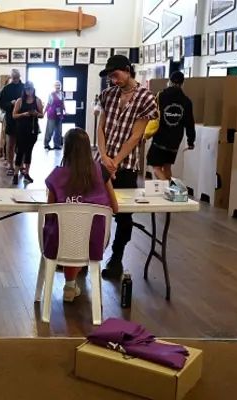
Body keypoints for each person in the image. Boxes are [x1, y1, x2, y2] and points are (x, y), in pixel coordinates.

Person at [97, 55, 158, 278]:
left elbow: (136, 136)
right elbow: (101, 127)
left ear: (128, 70)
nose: (114, 80)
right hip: (104, 162)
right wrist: (104, 156)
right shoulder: (108, 95)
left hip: (127, 165)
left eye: (116, 75)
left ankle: (116, 258)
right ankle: (86, 255)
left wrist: (116, 162)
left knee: (123, 215)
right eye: (111, 77)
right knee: (94, 209)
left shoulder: (145, 98)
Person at [44, 128, 119, 301]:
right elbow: (115, 208)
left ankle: (69, 284)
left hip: (62, 243)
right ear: (87, 149)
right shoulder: (101, 171)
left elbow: (49, 213)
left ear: (66, 149)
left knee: (68, 230)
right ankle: (71, 285)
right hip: (96, 241)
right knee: (81, 232)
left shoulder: (56, 176)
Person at [146, 71, 196, 180]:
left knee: (156, 167)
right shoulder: (186, 101)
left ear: (169, 81)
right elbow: (190, 123)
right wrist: (191, 141)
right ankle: (170, 192)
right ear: (183, 83)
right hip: (175, 140)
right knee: (167, 167)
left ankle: (166, 190)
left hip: (160, 137)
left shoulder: (161, 96)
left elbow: (153, 113)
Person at [11, 81, 43, 184]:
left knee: (29, 151)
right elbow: (14, 115)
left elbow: (42, 115)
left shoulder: (37, 100)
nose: (29, 91)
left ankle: (27, 173)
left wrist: (36, 113)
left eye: (30, 89)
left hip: (32, 129)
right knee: (20, 151)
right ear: (24, 90)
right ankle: (16, 174)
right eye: (27, 89)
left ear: (33, 89)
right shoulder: (20, 101)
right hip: (21, 129)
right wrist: (24, 114)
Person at [0, 69, 24, 175]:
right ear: (11, 77)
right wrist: (11, 103)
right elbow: (1, 104)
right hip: (11, 118)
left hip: (23, 119)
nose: (15, 79)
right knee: (10, 143)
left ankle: (21, 165)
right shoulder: (6, 89)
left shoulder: (24, 88)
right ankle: (10, 164)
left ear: (19, 76)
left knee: (22, 144)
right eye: (14, 78)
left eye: (17, 77)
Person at [44, 80, 65, 150]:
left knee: (59, 130)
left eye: (59, 85)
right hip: (52, 113)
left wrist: (65, 110)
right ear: (54, 86)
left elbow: (63, 103)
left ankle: (57, 144)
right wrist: (43, 112)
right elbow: (48, 104)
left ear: (60, 86)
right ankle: (46, 144)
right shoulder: (51, 94)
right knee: (50, 130)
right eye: (56, 85)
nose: (58, 86)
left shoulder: (62, 94)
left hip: (60, 114)